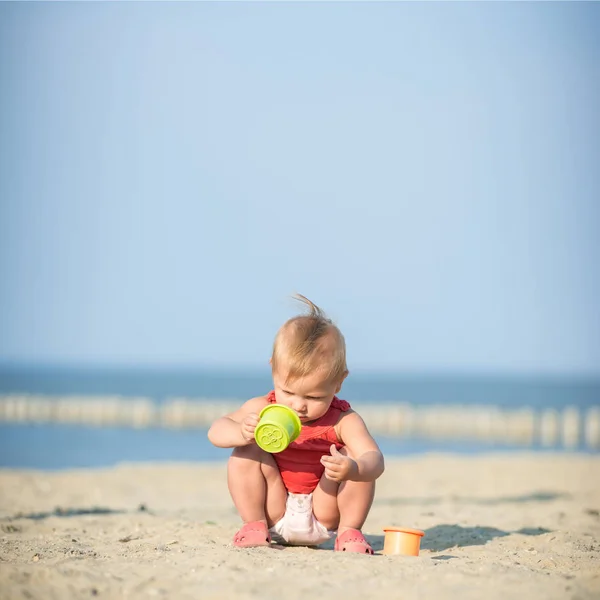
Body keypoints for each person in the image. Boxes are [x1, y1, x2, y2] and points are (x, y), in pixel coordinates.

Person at [207, 295, 385, 553]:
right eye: (288, 392)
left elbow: (375, 459)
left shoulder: (343, 420)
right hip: (273, 511)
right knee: (246, 450)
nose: (298, 405)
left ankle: (349, 531)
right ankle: (253, 524)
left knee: (354, 458)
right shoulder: (263, 407)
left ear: (338, 383)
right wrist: (241, 432)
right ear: (273, 370)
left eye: (314, 397)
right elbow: (216, 431)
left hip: (324, 512)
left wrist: (354, 468)